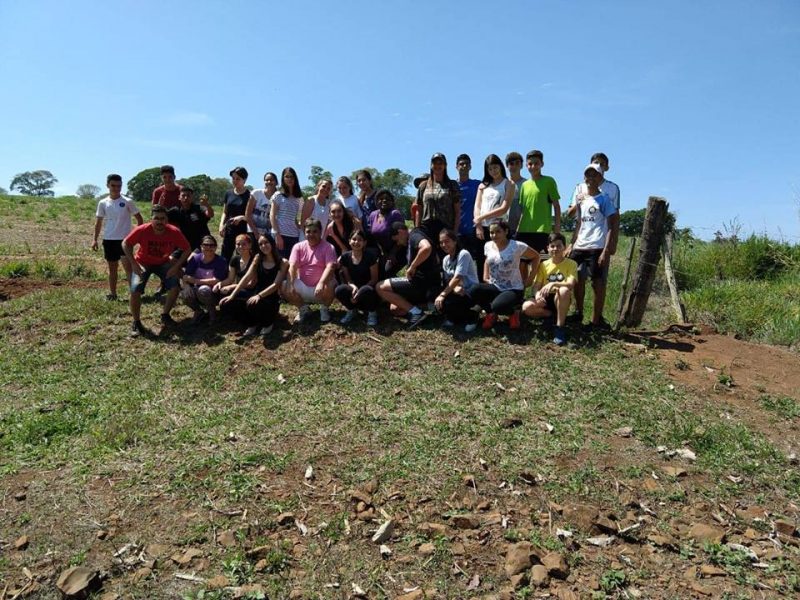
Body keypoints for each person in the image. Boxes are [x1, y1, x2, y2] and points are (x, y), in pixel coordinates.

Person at [122, 205, 191, 336]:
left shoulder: (174, 231)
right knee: (135, 289)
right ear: (151, 219)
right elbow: (125, 243)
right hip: (143, 262)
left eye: (163, 218)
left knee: (174, 287)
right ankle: (136, 322)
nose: (159, 221)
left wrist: (176, 267)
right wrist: (134, 263)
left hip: (163, 262)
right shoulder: (142, 229)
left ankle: (165, 315)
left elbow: (187, 249)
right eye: (156, 218)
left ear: (167, 220)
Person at [568, 164, 619, 329]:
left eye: (594, 175)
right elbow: (578, 222)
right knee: (575, 279)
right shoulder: (581, 198)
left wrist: (606, 249)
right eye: (587, 175)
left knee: (597, 283)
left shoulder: (604, 199)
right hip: (580, 245)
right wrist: (571, 243)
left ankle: (596, 321)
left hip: (596, 246)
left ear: (600, 178)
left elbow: (611, 225)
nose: (590, 179)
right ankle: (578, 313)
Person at [472, 220, 539, 331]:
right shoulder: (488, 245)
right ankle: (491, 314)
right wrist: (485, 276)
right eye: (491, 232)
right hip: (495, 285)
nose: (494, 235)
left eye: (498, 232)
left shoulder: (516, 246)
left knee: (498, 306)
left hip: (513, 288)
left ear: (506, 231)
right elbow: (487, 260)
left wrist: (530, 278)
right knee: (474, 290)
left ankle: (513, 313)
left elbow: (536, 257)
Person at [219, 233, 288, 336]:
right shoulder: (258, 258)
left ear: (272, 243)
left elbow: (276, 284)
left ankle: (267, 323)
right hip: (255, 294)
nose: (263, 246)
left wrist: (259, 296)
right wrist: (232, 295)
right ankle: (251, 323)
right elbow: (247, 277)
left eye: (266, 242)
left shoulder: (282, 262)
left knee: (253, 303)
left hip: (271, 298)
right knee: (226, 303)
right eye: (260, 244)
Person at [376, 222, 440, 327]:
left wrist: (412, 266)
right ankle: (428, 306)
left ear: (401, 232)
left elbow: (427, 248)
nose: (398, 243)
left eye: (396, 239)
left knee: (380, 287)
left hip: (421, 281)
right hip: (424, 283)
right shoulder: (409, 242)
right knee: (395, 309)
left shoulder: (414, 235)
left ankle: (416, 313)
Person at [92, 174, 144, 300]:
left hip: (124, 241)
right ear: (108, 185)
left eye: (119, 186)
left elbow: (139, 220)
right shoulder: (103, 203)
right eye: (113, 185)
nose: (116, 188)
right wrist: (94, 239)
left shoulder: (127, 202)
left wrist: (135, 237)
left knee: (129, 268)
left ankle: (134, 294)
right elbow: (98, 222)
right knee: (112, 269)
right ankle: (113, 294)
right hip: (109, 240)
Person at [522, 232, 578, 345]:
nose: (555, 249)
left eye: (559, 246)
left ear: (564, 248)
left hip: (560, 297)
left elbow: (571, 284)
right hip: (545, 297)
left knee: (563, 290)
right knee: (526, 307)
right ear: (548, 248)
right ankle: (550, 316)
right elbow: (536, 285)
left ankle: (559, 328)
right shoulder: (543, 265)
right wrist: (537, 295)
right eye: (552, 246)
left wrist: (553, 284)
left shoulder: (571, 264)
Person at [281, 218, 337, 324]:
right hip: (303, 286)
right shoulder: (298, 247)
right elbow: (292, 266)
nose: (311, 234)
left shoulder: (329, 247)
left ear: (320, 232)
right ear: (304, 232)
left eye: (315, 231)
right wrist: (290, 283)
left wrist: (321, 282)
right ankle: (303, 309)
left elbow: (330, 267)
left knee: (332, 284)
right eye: (308, 232)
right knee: (284, 285)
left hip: (322, 288)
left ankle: (324, 309)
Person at [567, 152, 620, 254]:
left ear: (607, 167)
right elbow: (570, 214)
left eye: (602, 164)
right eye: (596, 163)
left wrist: (614, 242)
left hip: (600, 243)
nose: (598, 166)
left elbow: (615, 217)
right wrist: (579, 202)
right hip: (580, 242)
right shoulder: (579, 187)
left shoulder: (612, 188)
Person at [435, 229, 480, 332]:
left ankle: (473, 315)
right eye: (441, 242)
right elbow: (448, 279)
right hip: (456, 289)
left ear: (455, 241)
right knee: (433, 295)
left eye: (447, 241)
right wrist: (454, 288)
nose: (443, 244)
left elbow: (458, 277)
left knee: (447, 298)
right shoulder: (446, 259)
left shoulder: (463, 254)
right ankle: (455, 317)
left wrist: (443, 295)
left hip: (469, 290)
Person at [516, 150, 561, 253]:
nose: (533, 166)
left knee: (542, 265)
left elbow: (556, 206)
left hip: (542, 231)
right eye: (530, 164)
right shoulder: (524, 185)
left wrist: (557, 231)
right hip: (524, 231)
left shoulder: (549, 181)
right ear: (526, 165)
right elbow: (524, 210)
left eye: (536, 163)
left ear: (542, 164)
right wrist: (518, 230)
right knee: (522, 265)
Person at [335, 230, 380, 326]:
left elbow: (374, 279)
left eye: (360, 240)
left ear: (365, 243)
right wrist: (353, 287)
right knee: (340, 290)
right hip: (353, 290)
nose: (356, 242)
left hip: (368, 289)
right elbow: (348, 279)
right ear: (349, 241)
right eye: (354, 239)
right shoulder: (345, 257)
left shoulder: (370, 256)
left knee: (367, 290)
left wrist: (360, 292)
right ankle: (351, 310)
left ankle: (372, 313)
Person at [414, 152, 461, 243]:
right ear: (431, 165)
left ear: (445, 166)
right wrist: (417, 231)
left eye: (440, 163)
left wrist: (455, 232)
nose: (437, 166)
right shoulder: (423, 186)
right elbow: (419, 210)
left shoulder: (452, 185)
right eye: (435, 163)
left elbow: (458, 211)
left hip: (445, 228)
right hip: (427, 228)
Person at [181, 235, 228, 324]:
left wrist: (196, 281)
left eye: (212, 245)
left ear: (215, 247)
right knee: (184, 293)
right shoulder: (195, 259)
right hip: (197, 290)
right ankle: (198, 311)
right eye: (205, 245)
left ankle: (212, 313)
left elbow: (217, 280)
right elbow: (186, 276)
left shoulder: (221, 261)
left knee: (204, 290)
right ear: (201, 246)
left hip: (215, 292)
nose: (208, 247)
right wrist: (186, 286)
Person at [474, 154, 515, 242]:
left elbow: (504, 209)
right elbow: (477, 206)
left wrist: (481, 218)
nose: (493, 171)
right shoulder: (482, 185)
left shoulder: (509, 184)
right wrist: (478, 225)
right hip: (482, 229)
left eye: (495, 167)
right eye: (490, 169)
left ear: (500, 166)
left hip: (499, 228)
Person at [455, 153, 482, 271]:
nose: (464, 166)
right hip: (457, 231)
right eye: (461, 164)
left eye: (467, 164)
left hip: (473, 230)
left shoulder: (477, 184)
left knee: (478, 261)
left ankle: (480, 286)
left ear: (470, 167)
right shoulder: (452, 186)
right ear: (456, 167)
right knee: (459, 262)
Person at [270, 167, 303, 259]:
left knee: (291, 263)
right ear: (283, 179)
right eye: (287, 176)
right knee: (281, 263)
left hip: (294, 235)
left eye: (291, 177)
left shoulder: (299, 198)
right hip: (280, 234)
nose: (289, 179)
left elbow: (296, 218)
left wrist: (300, 227)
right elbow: (272, 215)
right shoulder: (278, 195)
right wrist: (277, 234)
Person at [218, 166, 251, 261]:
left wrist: (241, 218)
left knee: (241, 258)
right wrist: (221, 225)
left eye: (238, 179)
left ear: (244, 180)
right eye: (233, 178)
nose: (235, 181)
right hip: (229, 230)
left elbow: (251, 215)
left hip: (243, 231)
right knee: (224, 257)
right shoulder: (228, 193)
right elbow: (225, 212)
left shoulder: (249, 195)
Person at [167, 186, 213, 251]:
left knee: (193, 259)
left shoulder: (199, 208)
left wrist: (207, 205)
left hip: (200, 242)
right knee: (173, 259)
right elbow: (162, 217)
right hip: (184, 242)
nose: (186, 198)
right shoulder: (176, 210)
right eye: (183, 196)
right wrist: (159, 205)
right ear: (179, 197)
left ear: (192, 198)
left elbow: (210, 214)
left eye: (188, 196)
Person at [214, 234, 256, 299]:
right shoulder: (235, 259)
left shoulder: (254, 260)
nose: (241, 247)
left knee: (231, 293)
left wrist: (232, 287)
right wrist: (220, 284)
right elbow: (230, 279)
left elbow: (251, 285)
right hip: (238, 288)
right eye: (238, 244)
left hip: (251, 291)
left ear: (250, 245)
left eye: (244, 244)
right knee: (220, 290)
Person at [366, 189, 405, 257]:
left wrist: (393, 254)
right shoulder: (373, 215)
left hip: (397, 252)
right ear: (376, 201)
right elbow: (373, 235)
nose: (384, 200)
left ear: (392, 202)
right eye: (380, 199)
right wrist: (381, 251)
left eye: (387, 199)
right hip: (381, 252)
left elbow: (402, 237)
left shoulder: (395, 214)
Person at [245, 171, 278, 237]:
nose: (269, 182)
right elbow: (248, 214)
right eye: (266, 180)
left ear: (276, 182)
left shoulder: (279, 196)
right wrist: (255, 231)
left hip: (269, 234)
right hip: (253, 232)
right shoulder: (256, 193)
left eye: (271, 180)